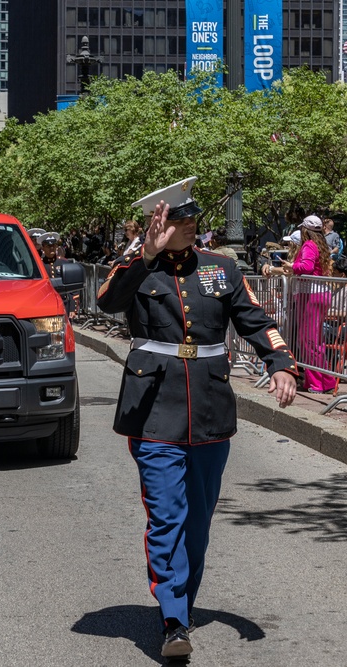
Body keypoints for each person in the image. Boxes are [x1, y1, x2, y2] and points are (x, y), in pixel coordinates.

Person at [96, 177, 298, 660]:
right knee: (167, 518)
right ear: (158, 225)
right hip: (153, 411)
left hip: (209, 407)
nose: (188, 229)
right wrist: (145, 253)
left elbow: (254, 320)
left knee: (198, 524)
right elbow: (107, 302)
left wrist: (282, 362)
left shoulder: (221, 269)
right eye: (178, 222)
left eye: (191, 222)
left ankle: (182, 604)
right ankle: (172, 620)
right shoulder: (137, 268)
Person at [269, 215, 337, 394]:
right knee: (314, 341)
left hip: (311, 295)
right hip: (317, 294)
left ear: (305, 230)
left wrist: (292, 266)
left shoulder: (308, 245)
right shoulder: (320, 245)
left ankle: (318, 383)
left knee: (309, 341)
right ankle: (324, 381)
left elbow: (306, 267)